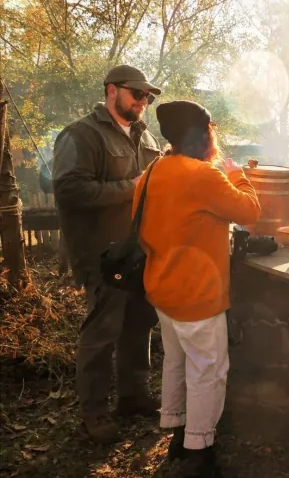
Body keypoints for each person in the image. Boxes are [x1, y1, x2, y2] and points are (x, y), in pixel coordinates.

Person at [134, 100, 261, 477]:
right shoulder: (205, 176)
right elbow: (250, 212)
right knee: (209, 369)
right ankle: (199, 449)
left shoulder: (153, 170)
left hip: (161, 287)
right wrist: (237, 174)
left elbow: (140, 224)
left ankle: (176, 430)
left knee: (176, 361)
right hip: (198, 293)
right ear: (203, 134)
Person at [52, 64, 163, 443]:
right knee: (101, 333)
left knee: (139, 323)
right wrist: (129, 188)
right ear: (112, 90)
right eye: (137, 94)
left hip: (140, 251)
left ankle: (134, 396)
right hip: (102, 254)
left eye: (147, 96)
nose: (143, 101)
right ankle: (94, 413)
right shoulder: (80, 135)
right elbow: (69, 190)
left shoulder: (147, 137)